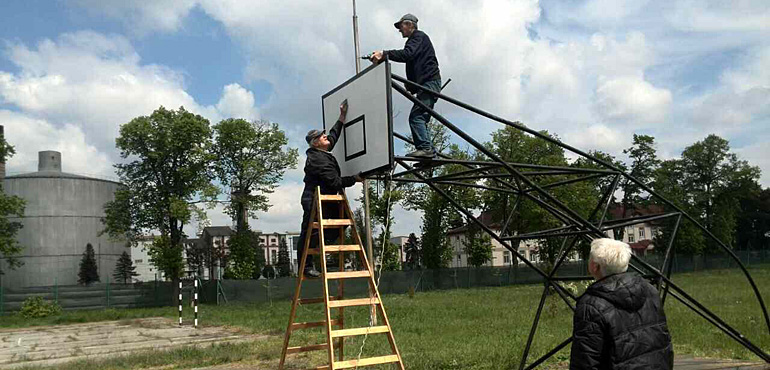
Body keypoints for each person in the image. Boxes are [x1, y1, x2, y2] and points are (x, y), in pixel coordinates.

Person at [570, 238, 673, 370]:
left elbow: (585, 361)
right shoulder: (650, 291)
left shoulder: (591, 305)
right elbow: (664, 342)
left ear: (595, 266)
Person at [298, 100, 363, 277]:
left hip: (326, 198)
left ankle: (321, 245)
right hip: (314, 199)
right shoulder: (317, 159)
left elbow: (333, 136)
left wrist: (341, 117)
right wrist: (354, 179)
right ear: (315, 143)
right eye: (321, 136)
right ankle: (305, 267)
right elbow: (335, 182)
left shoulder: (322, 151)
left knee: (343, 221)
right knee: (310, 230)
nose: (325, 136)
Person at [370, 13, 441, 159]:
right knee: (421, 117)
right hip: (427, 83)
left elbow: (408, 54)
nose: (399, 30)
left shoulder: (418, 37)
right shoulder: (416, 40)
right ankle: (430, 154)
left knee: (416, 117)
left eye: (401, 26)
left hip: (429, 83)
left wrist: (384, 54)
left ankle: (426, 149)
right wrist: (412, 87)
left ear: (410, 25)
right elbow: (414, 61)